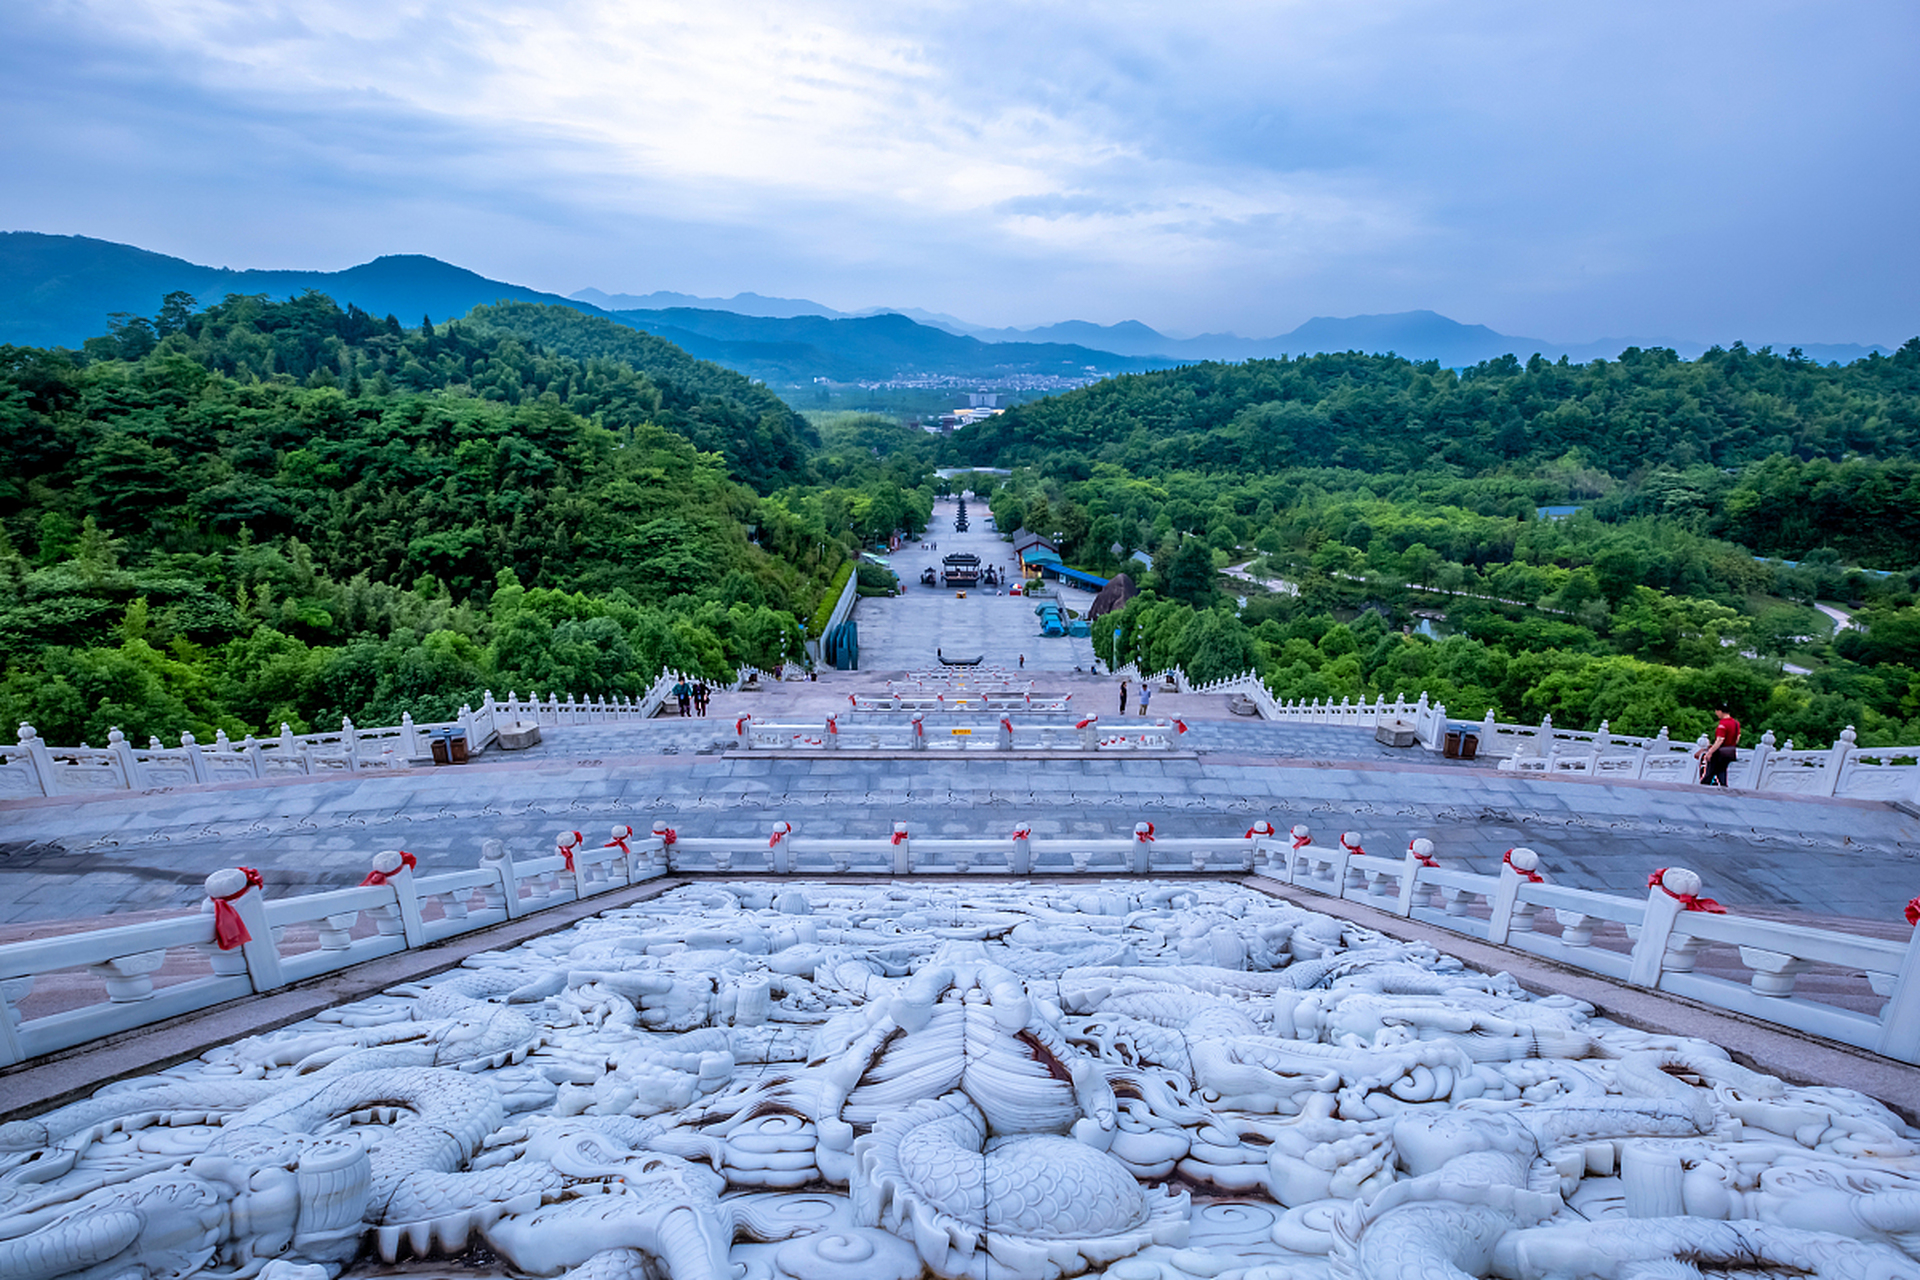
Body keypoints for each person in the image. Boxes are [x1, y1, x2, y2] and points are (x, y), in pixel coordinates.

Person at [1696, 704, 1740, 786]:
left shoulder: (1723, 724)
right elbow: (1737, 738)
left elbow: (1720, 740)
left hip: (1719, 752)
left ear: (1720, 711)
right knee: (1722, 770)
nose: (1716, 714)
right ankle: (1723, 787)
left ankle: (1703, 788)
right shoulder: (1736, 723)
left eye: (1716, 712)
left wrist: (1710, 752)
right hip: (1729, 752)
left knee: (1710, 771)